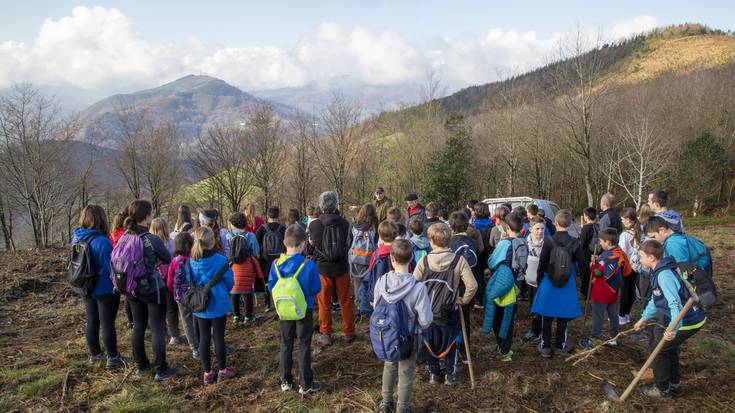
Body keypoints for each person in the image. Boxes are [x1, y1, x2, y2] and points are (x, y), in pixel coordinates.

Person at [114, 200, 176, 381]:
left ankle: (140, 364)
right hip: (152, 288)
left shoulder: (124, 237)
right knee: (157, 328)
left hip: (131, 289)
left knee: (139, 326)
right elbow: (167, 258)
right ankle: (160, 369)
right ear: (147, 216)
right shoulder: (151, 238)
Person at [634, 240, 705, 398]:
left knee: (659, 350)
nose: (640, 260)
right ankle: (675, 385)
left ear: (652, 257)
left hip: (688, 321)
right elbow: (656, 298)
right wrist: (644, 318)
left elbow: (675, 304)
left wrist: (673, 328)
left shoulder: (664, 275)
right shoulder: (659, 271)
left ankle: (662, 389)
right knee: (669, 349)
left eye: (642, 257)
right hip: (689, 318)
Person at [374, 239, 433, 413]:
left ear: (391, 258)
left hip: (387, 334)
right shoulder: (418, 287)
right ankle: (402, 408)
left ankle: (386, 402)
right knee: (406, 372)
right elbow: (425, 320)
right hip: (409, 336)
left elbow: (376, 305)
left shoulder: (382, 281)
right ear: (412, 258)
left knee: (389, 364)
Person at [414, 223, 477, 385]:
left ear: (431, 242)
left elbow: (413, 283)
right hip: (450, 310)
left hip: (428, 311)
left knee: (429, 340)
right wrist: (463, 300)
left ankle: (434, 374)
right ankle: (451, 374)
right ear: (449, 241)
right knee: (452, 340)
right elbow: (472, 285)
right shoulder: (459, 261)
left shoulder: (424, 261)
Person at [268, 224, 323, 395]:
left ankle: (285, 380)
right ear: (303, 244)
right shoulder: (308, 265)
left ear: (284, 242)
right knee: (304, 345)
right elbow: (316, 288)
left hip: (284, 310)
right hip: (303, 310)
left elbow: (271, 286)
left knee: (285, 343)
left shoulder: (276, 264)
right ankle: (305, 384)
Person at [72, 204, 124, 369]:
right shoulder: (101, 241)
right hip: (104, 288)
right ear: (101, 219)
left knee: (92, 320)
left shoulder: (77, 237)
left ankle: (95, 354)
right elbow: (112, 267)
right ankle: (113, 357)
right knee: (108, 323)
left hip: (85, 285)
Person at [186, 226, 236, 384]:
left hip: (200, 305)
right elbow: (230, 281)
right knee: (219, 337)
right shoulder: (221, 260)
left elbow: (189, 280)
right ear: (213, 241)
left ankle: (207, 373)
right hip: (218, 304)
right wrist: (222, 291)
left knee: (204, 339)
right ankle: (222, 370)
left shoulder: (191, 261)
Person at [533, 209, 583, 357]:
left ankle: (545, 346)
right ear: (569, 224)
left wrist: (539, 279)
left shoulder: (549, 240)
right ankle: (561, 345)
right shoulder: (575, 242)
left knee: (546, 315)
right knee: (563, 315)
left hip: (549, 280)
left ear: (555, 222)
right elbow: (581, 262)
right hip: (567, 282)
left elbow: (542, 262)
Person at [309, 191, 355, 345]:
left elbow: (313, 244)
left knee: (324, 302)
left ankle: (326, 332)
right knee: (345, 301)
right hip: (341, 267)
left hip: (323, 268)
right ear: (336, 204)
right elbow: (349, 243)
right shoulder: (345, 223)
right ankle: (349, 331)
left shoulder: (314, 224)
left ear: (321, 206)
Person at [481, 213, 525, 362]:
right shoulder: (523, 242)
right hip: (515, 285)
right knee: (509, 317)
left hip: (501, 284)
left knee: (498, 317)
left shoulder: (504, 244)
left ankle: (503, 350)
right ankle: (506, 349)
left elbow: (492, 262)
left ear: (507, 227)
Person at [579, 228, 629, 348]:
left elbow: (597, 272)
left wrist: (593, 265)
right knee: (613, 316)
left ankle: (594, 338)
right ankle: (613, 338)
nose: (600, 243)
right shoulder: (619, 253)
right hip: (614, 291)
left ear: (608, 242)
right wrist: (598, 261)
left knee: (598, 317)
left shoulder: (606, 257)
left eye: (601, 241)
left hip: (601, 292)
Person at [228, 212, 265, 324]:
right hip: (247, 266)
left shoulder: (228, 236)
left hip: (233, 266)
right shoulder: (251, 236)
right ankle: (248, 317)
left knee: (234, 291)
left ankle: (236, 316)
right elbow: (256, 252)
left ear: (232, 224)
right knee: (247, 291)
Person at [168, 232, 200, 359]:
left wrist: (174, 292)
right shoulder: (195, 259)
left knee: (186, 321)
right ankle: (206, 340)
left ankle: (194, 348)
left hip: (181, 297)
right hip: (196, 295)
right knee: (199, 318)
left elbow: (170, 282)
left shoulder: (174, 262)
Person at [150, 218, 181, 346]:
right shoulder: (172, 243)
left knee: (158, 307)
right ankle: (174, 334)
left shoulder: (149, 243)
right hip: (170, 278)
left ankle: (161, 332)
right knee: (171, 307)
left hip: (155, 278)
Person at [644, 217, 712, 275]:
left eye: (654, 237)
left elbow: (683, 269)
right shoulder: (678, 236)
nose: (653, 241)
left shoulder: (672, 243)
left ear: (662, 230)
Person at [359, 221, 399, 316]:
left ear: (380, 236)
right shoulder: (400, 251)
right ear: (396, 235)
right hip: (397, 291)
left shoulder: (377, 253)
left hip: (380, 292)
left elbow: (370, 273)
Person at [348, 203, 379, 308]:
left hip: (356, 258)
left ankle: (358, 305)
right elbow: (376, 241)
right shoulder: (375, 225)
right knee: (370, 282)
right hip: (370, 258)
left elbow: (349, 242)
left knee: (357, 282)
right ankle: (369, 304)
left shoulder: (354, 224)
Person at [256, 206, 287, 312]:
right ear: (278, 215)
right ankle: (281, 302)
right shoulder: (282, 228)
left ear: (267, 215)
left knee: (267, 281)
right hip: (280, 259)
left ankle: (268, 304)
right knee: (280, 280)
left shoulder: (262, 228)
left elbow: (257, 244)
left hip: (265, 259)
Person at [521, 216, 546, 343]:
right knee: (533, 307)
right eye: (537, 229)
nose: (540, 232)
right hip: (529, 281)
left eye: (542, 229)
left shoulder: (547, 244)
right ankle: (535, 330)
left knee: (540, 308)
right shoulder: (525, 242)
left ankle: (539, 331)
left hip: (542, 283)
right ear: (530, 229)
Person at [109, 208, 133, 328]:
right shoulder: (127, 235)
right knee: (130, 295)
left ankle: (130, 320)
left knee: (125, 295)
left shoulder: (112, 236)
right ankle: (134, 319)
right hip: (127, 266)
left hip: (116, 268)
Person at [619, 207, 642, 325]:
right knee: (631, 289)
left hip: (627, 266)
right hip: (638, 266)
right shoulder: (640, 230)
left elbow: (622, 252)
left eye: (623, 219)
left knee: (624, 291)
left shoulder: (625, 235)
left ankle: (622, 316)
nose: (622, 221)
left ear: (628, 219)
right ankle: (627, 314)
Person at [578, 207, 599, 297]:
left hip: (587, 254)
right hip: (596, 253)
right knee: (594, 273)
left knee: (585, 274)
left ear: (587, 216)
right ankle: (594, 291)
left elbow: (581, 244)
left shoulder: (586, 228)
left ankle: (584, 293)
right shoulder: (598, 226)